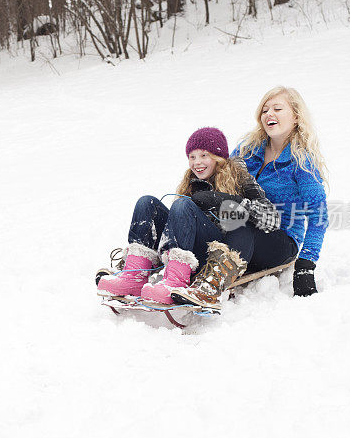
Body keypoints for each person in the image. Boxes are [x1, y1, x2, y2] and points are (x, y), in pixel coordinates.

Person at [97, 127, 282, 308]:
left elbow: (271, 219)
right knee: (147, 203)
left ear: (218, 157)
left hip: (217, 252)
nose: (197, 163)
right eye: (192, 157)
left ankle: (175, 282)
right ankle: (133, 275)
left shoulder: (240, 178)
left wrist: (225, 200)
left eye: (204, 155)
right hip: (191, 245)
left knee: (182, 205)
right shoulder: (190, 182)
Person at [228, 86, 329, 299]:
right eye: (264, 110)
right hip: (239, 228)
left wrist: (306, 264)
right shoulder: (247, 150)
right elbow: (222, 180)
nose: (269, 114)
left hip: (280, 240)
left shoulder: (302, 162)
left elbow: (318, 215)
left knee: (239, 230)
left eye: (277, 109)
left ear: (295, 117)